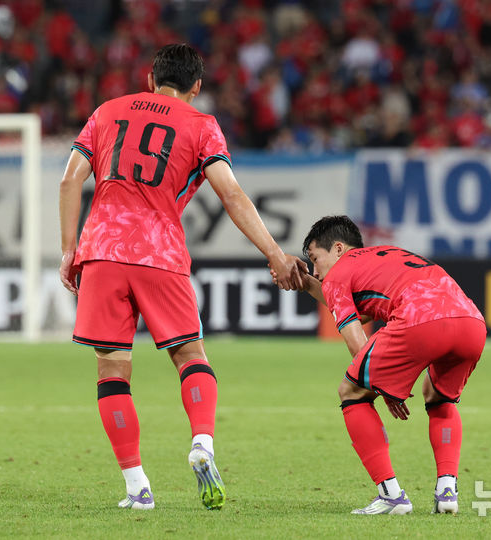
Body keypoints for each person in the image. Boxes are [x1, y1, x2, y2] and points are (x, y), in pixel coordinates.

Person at [59, 43, 305, 511]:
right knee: (191, 356)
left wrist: (69, 249)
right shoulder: (201, 125)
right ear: (196, 87)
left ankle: (137, 487)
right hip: (161, 253)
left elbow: (71, 179)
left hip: (102, 251)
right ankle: (202, 442)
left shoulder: (107, 112)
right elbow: (231, 194)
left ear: (151, 79)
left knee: (112, 370)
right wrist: (275, 254)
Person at [280, 215, 486, 515]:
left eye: (315, 259)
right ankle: (447, 491)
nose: (316, 271)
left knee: (351, 391)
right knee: (439, 397)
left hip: (421, 320)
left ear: (338, 249)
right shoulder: (387, 255)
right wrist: (307, 284)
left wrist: (381, 384)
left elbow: (356, 340)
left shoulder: (339, 274)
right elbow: (362, 309)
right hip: (471, 322)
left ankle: (391, 496)